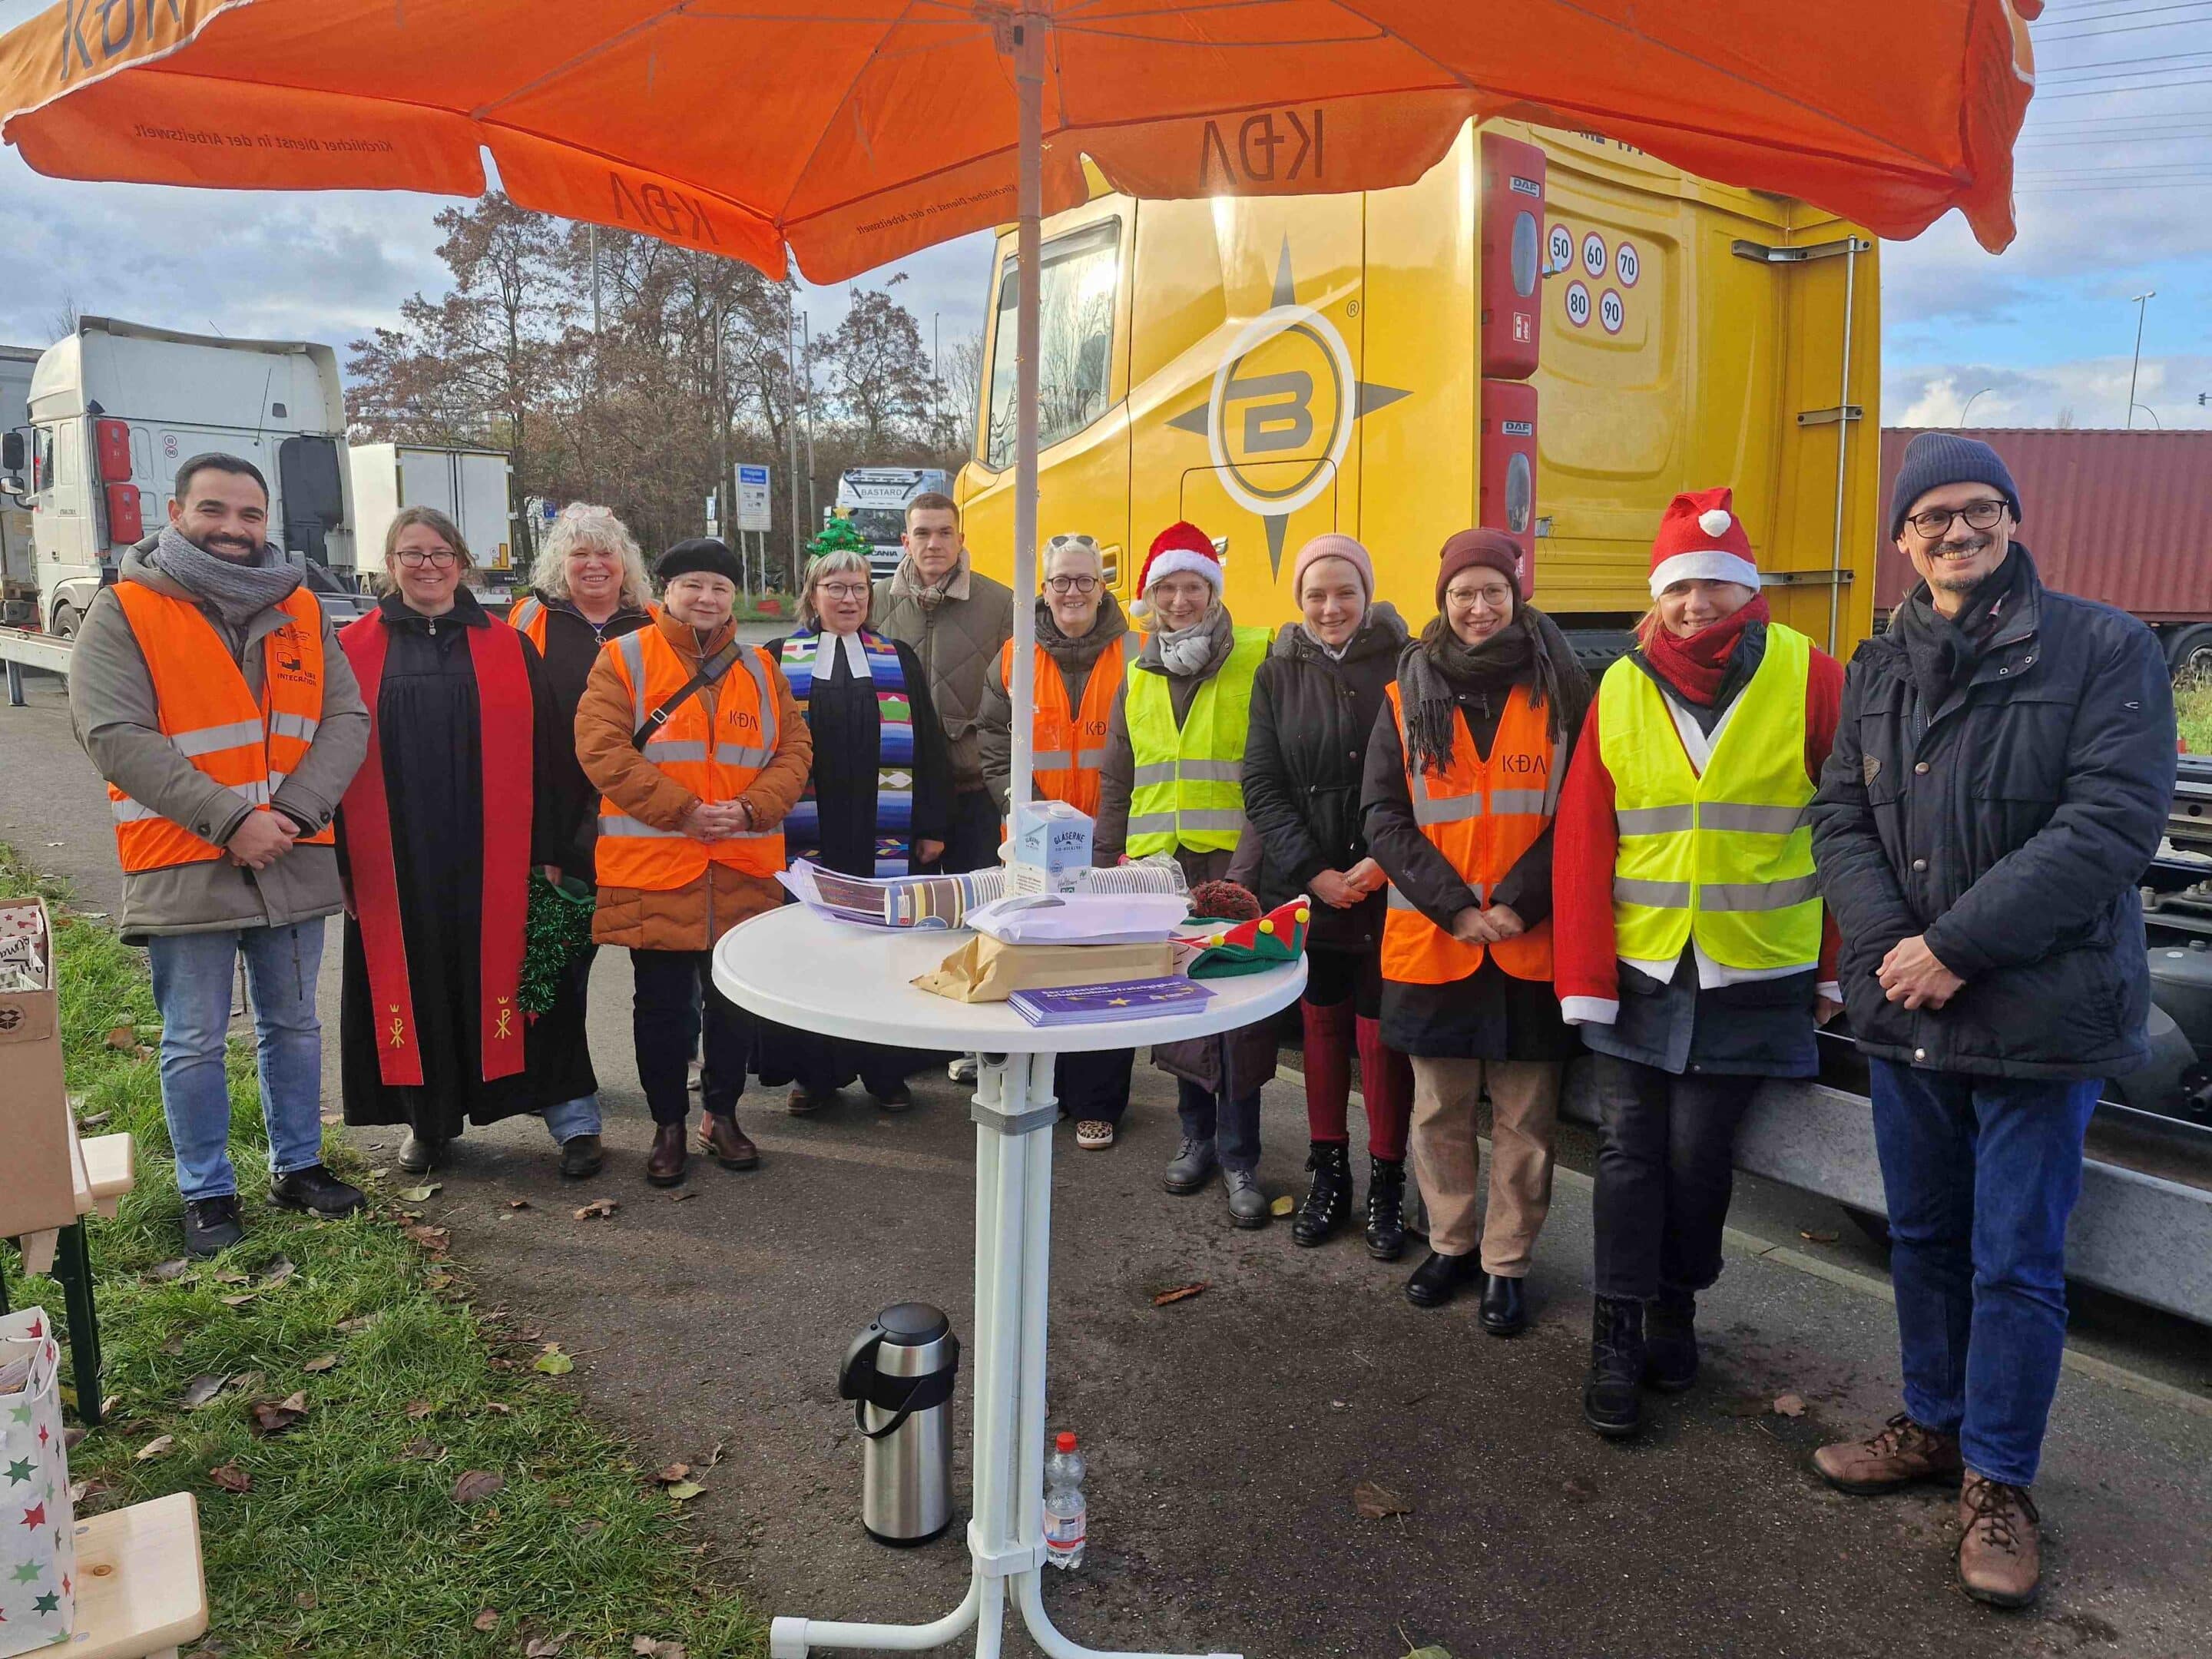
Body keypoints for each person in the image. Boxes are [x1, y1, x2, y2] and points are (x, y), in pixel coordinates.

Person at [1806, 434, 2174, 1608]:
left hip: (2035, 1016)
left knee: (2015, 1261)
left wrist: (1952, 948)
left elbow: (2111, 824)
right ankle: (1933, 1424)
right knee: (1920, 1237)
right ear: (1903, 541)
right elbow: (1839, 818)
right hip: (1909, 1011)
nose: (1955, 534)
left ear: (2011, 521)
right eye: (1930, 519)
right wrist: (1889, 951)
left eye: (1977, 513)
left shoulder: (2103, 647)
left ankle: (2000, 1483)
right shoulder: (1881, 664)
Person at [1554, 488, 1843, 1437]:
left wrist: (1839, 968)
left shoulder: (1811, 677)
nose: (1694, 605)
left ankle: (1677, 1306)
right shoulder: (1622, 684)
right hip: (1639, 969)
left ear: (1746, 590)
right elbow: (1586, 838)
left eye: (1715, 585)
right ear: (1659, 595)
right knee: (1630, 1153)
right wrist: (1584, 977)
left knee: (1698, 1157)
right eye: (1680, 587)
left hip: (1755, 969)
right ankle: (1615, 1331)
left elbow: (1853, 832)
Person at [68, 452, 369, 1256]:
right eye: (215, 511)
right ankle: (207, 1191)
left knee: (293, 1028)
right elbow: (112, 735)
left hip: (294, 854)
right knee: (195, 1038)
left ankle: (298, 1167)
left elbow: (348, 720)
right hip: (183, 860)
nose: (233, 529)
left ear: (267, 522)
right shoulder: (125, 609)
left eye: (249, 514)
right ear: (175, 513)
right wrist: (232, 820)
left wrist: (295, 812)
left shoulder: (302, 607)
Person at [1365, 530, 1591, 1331]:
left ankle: (1507, 1262)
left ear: (1516, 595)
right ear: (1443, 599)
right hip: (1440, 938)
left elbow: (1583, 815)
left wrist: (1517, 904)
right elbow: (1383, 818)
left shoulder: (1566, 689)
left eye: (1493, 590)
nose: (1479, 606)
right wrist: (1456, 906)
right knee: (1438, 1111)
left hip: (1532, 941)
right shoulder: (1403, 697)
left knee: (1527, 1119)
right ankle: (1453, 1243)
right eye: (1464, 592)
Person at [336, 508, 599, 1177]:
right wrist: (338, 860)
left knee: (533, 977)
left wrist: (551, 847)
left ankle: (572, 1120)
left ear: (461, 560)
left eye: (440, 552)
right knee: (417, 978)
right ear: (390, 563)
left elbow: (549, 756)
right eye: (411, 553)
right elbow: (326, 758)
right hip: (399, 857)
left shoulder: (509, 645)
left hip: (501, 853)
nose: (427, 565)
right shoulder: (350, 649)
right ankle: (431, 1123)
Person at [576, 537, 810, 1184]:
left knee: (733, 1004)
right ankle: (668, 1124)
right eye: (693, 585)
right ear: (666, 591)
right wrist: (684, 809)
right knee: (660, 1006)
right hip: (654, 866)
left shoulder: (763, 668)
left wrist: (751, 808)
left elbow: (794, 752)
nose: (706, 598)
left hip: (740, 863)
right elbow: (601, 751)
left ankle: (723, 1115)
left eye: (719, 588)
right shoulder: (623, 660)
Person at [1096, 522, 1275, 1226]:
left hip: (1233, 862)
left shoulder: (1258, 655)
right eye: (1165, 588)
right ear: (1149, 597)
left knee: (1238, 1013)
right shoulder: (1138, 672)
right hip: (1157, 869)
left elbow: (1269, 771)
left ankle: (1240, 1156)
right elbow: (1118, 778)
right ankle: (1194, 1136)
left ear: (1212, 590)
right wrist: (1109, 864)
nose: (1179, 600)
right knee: (1179, 1006)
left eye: (1191, 586)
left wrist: (1248, 867)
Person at [1243, 534, 1416, 1253]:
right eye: (1316, 594)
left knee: (1381, 1036)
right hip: (1312, 886)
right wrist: (1312, 871)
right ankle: (1329, 1173)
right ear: (1299, 602)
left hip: (1389, 884)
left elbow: (1425, 772)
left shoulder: (1408, 664)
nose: (1331, 606)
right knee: (1319, 1030)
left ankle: (1385, 1182)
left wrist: (1381, 863)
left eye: (1346, 591)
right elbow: (1262, 783)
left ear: (1368, 593)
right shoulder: (1276, 673)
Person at [760, 540, 952, 1112]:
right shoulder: (776, 656)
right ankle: (813, 1076)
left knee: (883, 953)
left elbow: (931, 750)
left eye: (859, 588)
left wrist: (931, 824)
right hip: (810, 838)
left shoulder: (898, 657)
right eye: (835, 587)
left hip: (880, 836)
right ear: (812, 595)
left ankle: (885, 1071)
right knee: (812, 952)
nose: (848, 598)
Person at [978, 531, 1135, 1147]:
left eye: (1085, 580)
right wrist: (1029, 818)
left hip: (1109, 842)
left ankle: (1096, 1101)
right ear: (1042, 589)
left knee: (1104, 972)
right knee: (1036, 966)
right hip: (1033, 845)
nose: (1072, 591)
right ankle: (1038, 1088)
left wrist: (1112, 834)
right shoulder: (1014, 655)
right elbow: (992, 745)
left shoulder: (1137, 651)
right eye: (1060, 580)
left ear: (1102, 587)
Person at [872, 491, 1013, 875]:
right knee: (905, 914)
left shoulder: (1002, 604)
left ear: (961, 540)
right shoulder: (874, 602)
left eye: (945, 533)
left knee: (975, 910)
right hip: (899, 792)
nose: (934, 543)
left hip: (976, 791)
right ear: (906, 542)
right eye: (922, 533)